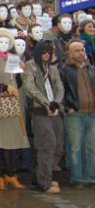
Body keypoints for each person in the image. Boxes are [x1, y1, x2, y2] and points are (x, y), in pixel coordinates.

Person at [0, 28, 29, 190]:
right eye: (0, 42)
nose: (4, 45)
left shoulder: (13, 59)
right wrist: (5, 87)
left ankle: (10, 173)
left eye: (6, 42)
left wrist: (20, 72)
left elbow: (18, 83)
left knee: (11, 141)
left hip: (13, 105)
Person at [22, 40, 64, 194]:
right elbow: (30, 87)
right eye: (44, 51)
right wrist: (46, 103)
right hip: (40, 110)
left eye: (49, 52)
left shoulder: (53, 69)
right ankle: (44, 181)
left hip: (55, 110)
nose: (47, 54)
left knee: (58, 144)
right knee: (47, 144)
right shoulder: (30, 66)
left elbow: (59, 86)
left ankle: (44, 175)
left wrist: (56, 102)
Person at [60, 39, 95, 188]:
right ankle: (77, 178)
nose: (81, 53)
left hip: (91, 112)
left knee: (91, 147)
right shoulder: (64, 69)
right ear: (69, 53)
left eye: (82, 50)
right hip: (75, 113)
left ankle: (90, 177)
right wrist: (68, 107)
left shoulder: (91, 68)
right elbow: (62, 91)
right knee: (75, 147)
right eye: (77, 50)